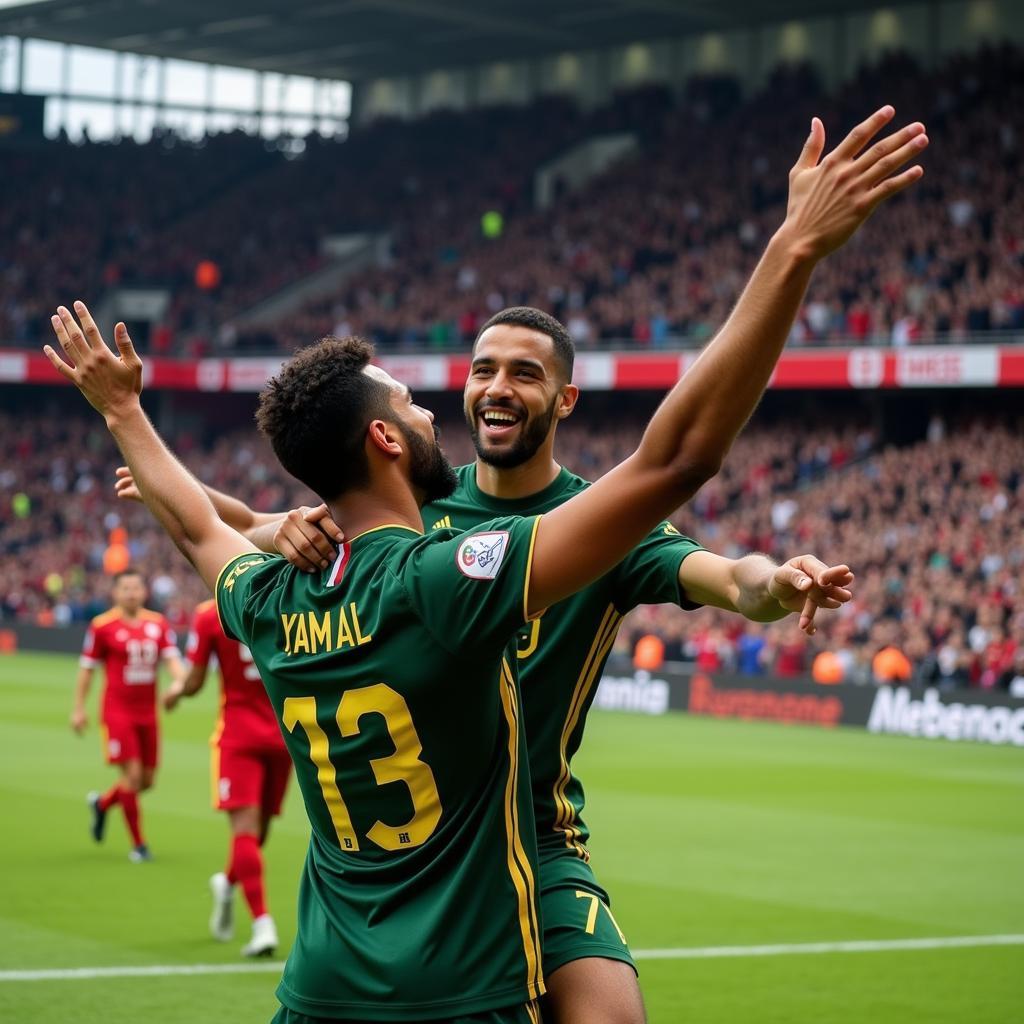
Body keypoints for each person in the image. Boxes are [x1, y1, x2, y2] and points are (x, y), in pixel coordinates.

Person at [50, 104, 926, 1023]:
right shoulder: (445, 563)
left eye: (521, 372)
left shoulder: (308, 580)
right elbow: (676, 461)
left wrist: (771, 583)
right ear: (392, 436)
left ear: (565, 398)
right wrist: (793, 248)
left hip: (489, 859)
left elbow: (208, 531)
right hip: (459, 896)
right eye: (471, 374)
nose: (477, 393)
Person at [164, 599, 293, 957]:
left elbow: (194, 681)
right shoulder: (285, 596)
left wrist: (176, 690)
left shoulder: (210, 613)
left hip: (270, 737)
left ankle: (227, 881)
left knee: (256, 834)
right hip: (264, 736)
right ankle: (262, 923)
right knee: (249, 831)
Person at [74, 568, 184, 862]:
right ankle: (139, 845)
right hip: (117, 712)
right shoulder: (102, 626)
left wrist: (178, 683)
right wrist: (79, 708)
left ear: (144, 592)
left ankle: (102, 804)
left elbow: (173, 660)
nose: (131, 593)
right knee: (132, 776)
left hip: (148, 713)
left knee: (146, 781)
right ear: (115, 593)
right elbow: (87, 669)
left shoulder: (158, 624)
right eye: (125, 588)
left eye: (136, 588)